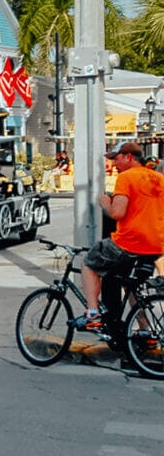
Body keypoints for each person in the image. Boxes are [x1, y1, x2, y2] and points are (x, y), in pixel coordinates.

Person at [75, 142, 164, 343]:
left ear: (129, 157)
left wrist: (106, 203)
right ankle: (145, 329)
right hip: (155, 245)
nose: (113, 163)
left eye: (116, 158)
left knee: (88, 263)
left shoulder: (126, 177)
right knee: (128, 284)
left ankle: (92, 314)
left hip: (130, 242)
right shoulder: (159, 179)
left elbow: (117, 213)